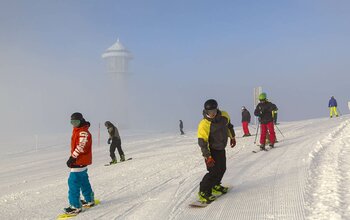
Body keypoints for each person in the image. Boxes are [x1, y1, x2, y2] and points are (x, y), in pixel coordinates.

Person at [197, 99, 236, 204]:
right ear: (206, 111)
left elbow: (229, 126)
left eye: (214, 110)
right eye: (210, 112)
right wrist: (208, 156)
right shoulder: (204, 124)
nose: (212, 114)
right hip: (211, 150)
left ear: (217, 108)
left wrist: (232, 137)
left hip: (221, 148)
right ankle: (203, 192)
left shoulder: (224, 115)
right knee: (213, 172)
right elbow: (202, 142)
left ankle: (215, 185)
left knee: (222, 168)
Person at [64, 112, 95, 214]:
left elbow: (81, 146)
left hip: (79, 160)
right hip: (81, 160)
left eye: (76, 122)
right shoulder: (79, 129)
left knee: (73, 182)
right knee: (83, 180)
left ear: (81, 120)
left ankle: (75, 206)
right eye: (72, 122)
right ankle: (89, 199)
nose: (74, 124)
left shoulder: (83, 132)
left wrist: (72, 158)